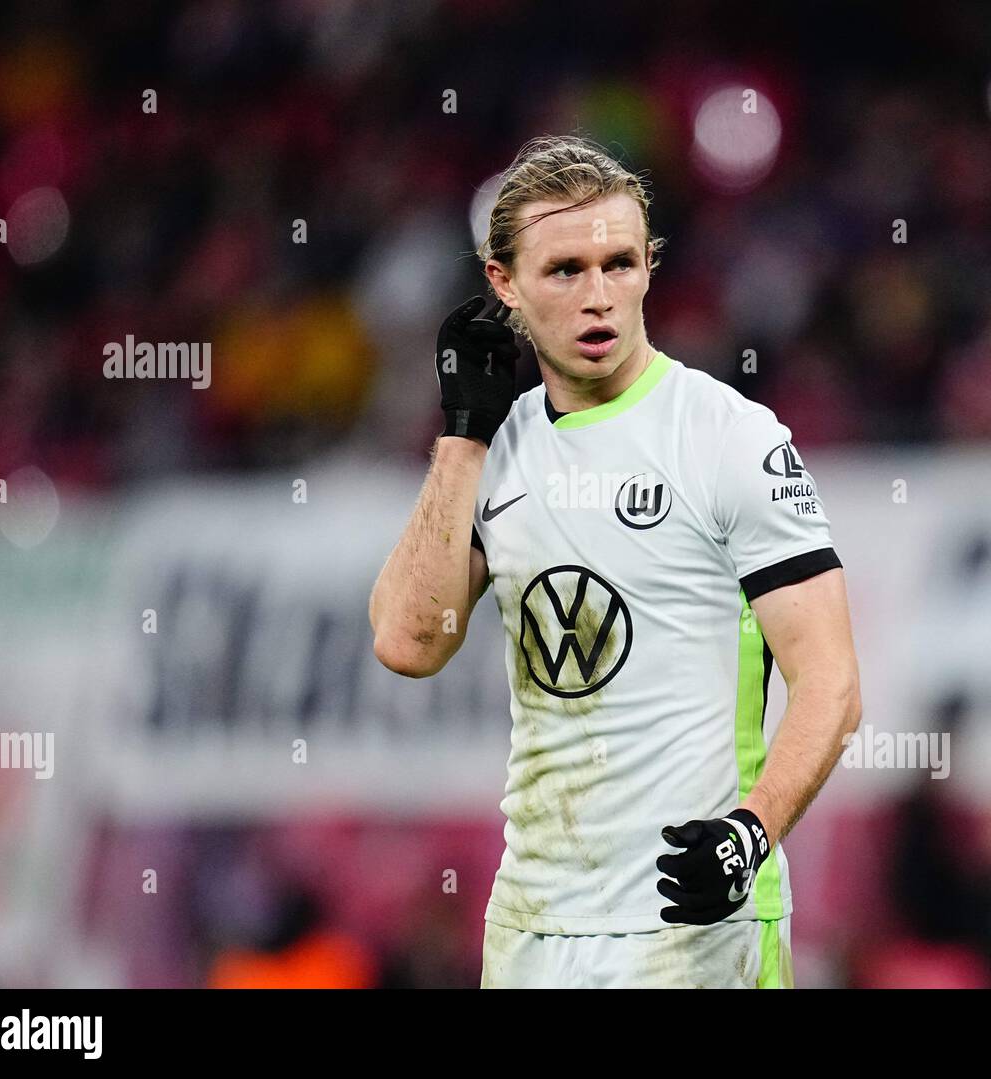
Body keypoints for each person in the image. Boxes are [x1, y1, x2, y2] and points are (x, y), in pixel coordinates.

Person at [369, 135, 861, 988]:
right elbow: (409, 643)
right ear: (503, 284)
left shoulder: (728, 437)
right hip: (535, 924)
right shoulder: (496, 449)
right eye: (565, 270)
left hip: (697, 921)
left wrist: (751, 832)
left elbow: (833, 686)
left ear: (647, 269)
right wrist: (461, 437)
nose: (599, 296)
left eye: (620, 263)